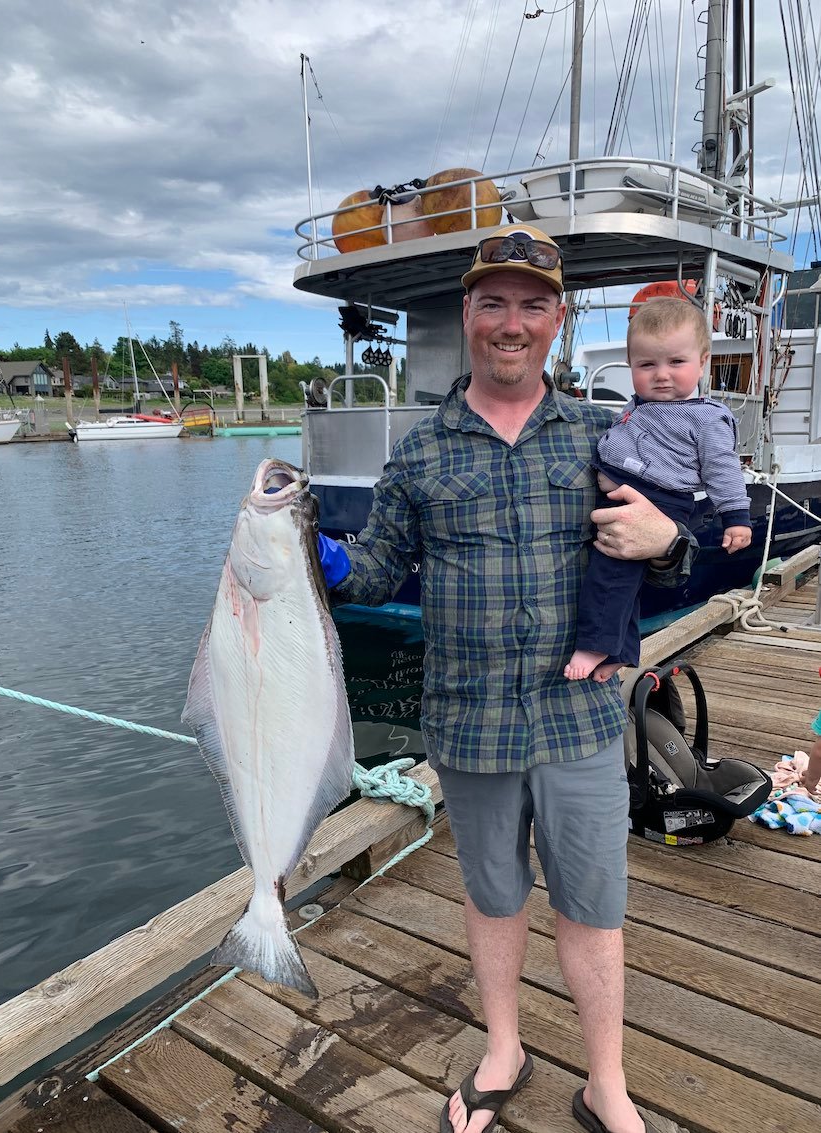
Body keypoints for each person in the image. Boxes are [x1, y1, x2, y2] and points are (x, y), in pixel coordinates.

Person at [317, 222, 695, 1133]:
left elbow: (666, 557)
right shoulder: (420, 451)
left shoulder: (610, 438)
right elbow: (376, 570)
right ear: (469, 314)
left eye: (532, 305)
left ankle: (606, 1080)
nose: (511, 323)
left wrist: (671, 543)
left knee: (593, 905)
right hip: (472, 726)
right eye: (495, 303)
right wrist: (318, 559)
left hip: (582, 719)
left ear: (557, 321)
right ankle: (505, 1047)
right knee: (492, 897)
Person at [565, 297, 751, 683]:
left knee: (610, 571)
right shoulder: (642, 405)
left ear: (703, 361)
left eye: (676, 363)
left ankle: (596, 643)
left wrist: (736, 518)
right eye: (647, 365)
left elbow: (723, 468)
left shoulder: (704, 418)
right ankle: (623, 652)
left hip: (658, 500)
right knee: (628, 584)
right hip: (636, 491)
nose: (661, 375)